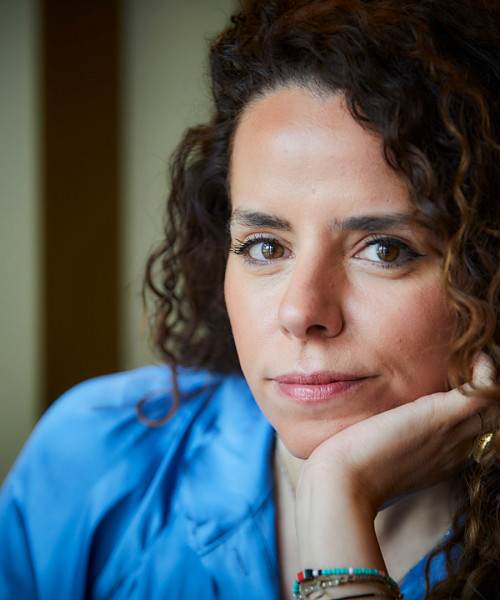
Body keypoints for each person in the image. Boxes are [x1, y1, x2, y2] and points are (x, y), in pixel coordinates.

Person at [1, 0, 499, 598]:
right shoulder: (96, 456)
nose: (300, 312)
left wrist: (338, 496)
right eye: (266, 246)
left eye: (384, 250)